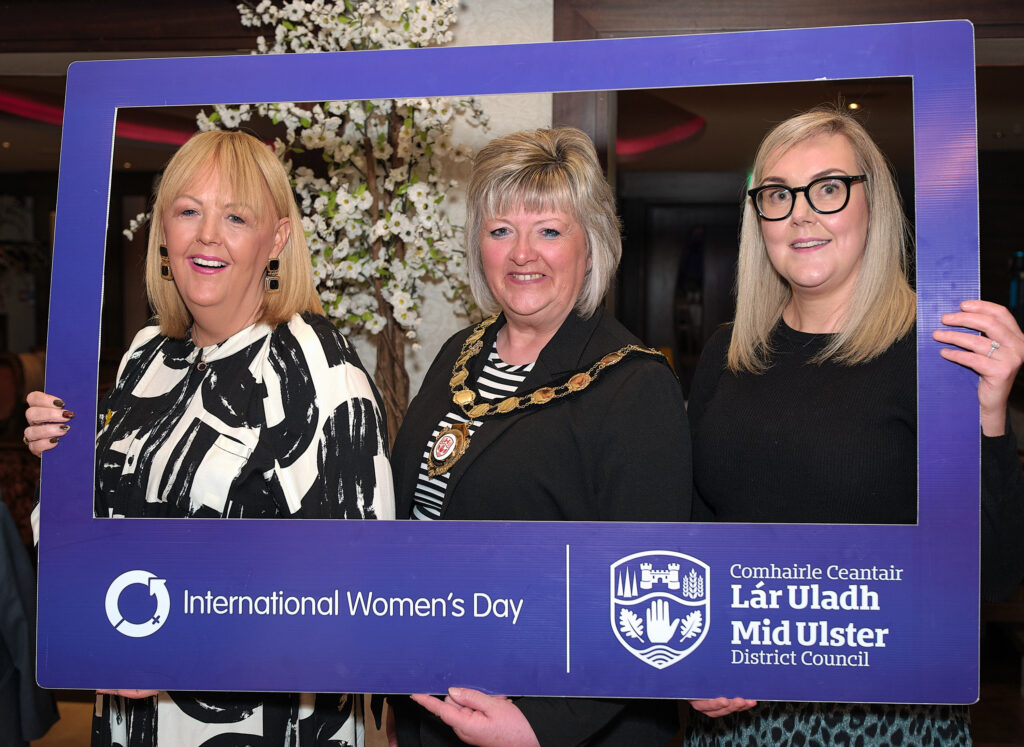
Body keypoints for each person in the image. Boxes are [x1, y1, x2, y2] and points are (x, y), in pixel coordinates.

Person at [23, 130, 394, 746]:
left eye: (236, 216)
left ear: (276, 239)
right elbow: (93, 541)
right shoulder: (147, 356)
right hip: (129, 714)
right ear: (163, 232)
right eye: (188, 211)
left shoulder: (319, 370)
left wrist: (180, 647)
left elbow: (359, 589)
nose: (207, 236)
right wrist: (60, 467)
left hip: (260, 725)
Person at [685, 106, 1024, 744]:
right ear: (758, 219)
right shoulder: (729, 350)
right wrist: (695, 656)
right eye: (779, 195)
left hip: (879, 716)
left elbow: (995, 574)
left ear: (874, 206)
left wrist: (991, 414)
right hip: (737, 713)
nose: (802, 215)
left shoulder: (936, 352)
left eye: (829, 189)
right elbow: (700, 533)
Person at [386, 127, 692, 746]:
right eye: (502, 230)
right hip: (437, 707)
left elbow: (649, 593)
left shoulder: (635, 386)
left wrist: (540, 726)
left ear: (592, 244)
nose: (522, 253)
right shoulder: (458, 353)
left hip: (562, 726)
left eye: (549, 230)